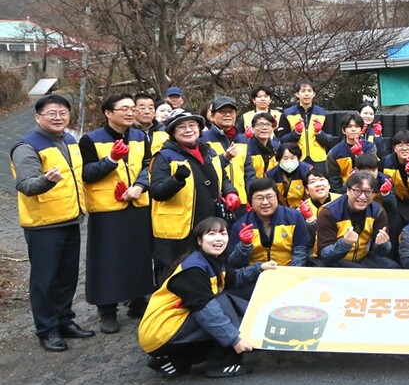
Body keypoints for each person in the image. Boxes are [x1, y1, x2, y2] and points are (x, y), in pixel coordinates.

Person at [138, 217, 276, 378]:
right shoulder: (193, 270)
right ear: (199, 240)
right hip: (161, 332)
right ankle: (222, 363)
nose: (218, 238)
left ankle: (174, 361)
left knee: (221, 308)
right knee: (223, 305)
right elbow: (207, 312)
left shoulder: (212, 260)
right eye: (211, 234)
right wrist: (235, 340)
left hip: (169, 329)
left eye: (223, 234)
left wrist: (260, 268)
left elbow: (235, 279)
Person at [12, 94, 96, 352]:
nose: (59, 117)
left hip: (70, 218)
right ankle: (47, 330)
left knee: (67, 276)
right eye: (52, 113)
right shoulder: (27, 146)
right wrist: (46, 181)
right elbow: (26, 185)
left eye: (63, 113)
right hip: (43, 224)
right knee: (45, 280)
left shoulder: (69, 140)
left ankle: (64, 321)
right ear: (38, 117)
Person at [79, 93, 155, 334]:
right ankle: (107, 309)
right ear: (108, 113)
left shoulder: (140, 136)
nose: (131, 113)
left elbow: (148, 165)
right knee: (107, 259)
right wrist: (111, 160)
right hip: (107, 210)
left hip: (137, 203)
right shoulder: (91, 140)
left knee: (139, 255)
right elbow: (86, 173)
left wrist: (140, 186)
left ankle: (137, 300)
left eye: (132, 108)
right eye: (124, 109)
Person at [149, 109, 241, 285]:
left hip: (207, 226)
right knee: (175, 277)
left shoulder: (209, 152)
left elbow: (223, 178)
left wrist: (230, 192)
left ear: (199, 129)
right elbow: (157, 192)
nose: (188, 130)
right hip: (178, 233)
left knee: (208, 273)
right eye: (181, 127)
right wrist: (176, 180)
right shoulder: (164, 156)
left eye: (192, 125)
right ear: (173, 132)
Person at [227, 177, 312, 276]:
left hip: (288, 274)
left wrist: (290, 274)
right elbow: (233, 264)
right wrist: (244, 246)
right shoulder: (241, 225)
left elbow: (301, 250)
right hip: (255, 277)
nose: (265, 202)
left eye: (269, 197)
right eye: (259, 198)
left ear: (277, 197)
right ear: (250, 201)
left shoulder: (294, 217)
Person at [314, 172, 398, 268]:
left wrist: (382, 245)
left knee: (393, 267)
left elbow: (381, 252)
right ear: (348, 190)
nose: (362, 197)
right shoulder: (329, 212)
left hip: (362, 257)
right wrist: (345, 243)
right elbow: (325, 255)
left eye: (368, 192)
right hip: (335, 261)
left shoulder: (377, 212)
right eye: (357, 191)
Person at [201, 97, 252, 205]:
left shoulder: (243, 139)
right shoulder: (203, 139)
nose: (228, 115)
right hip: (215, 201)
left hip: (240, 201)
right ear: (212, 116)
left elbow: (249, 173)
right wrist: (224, 158)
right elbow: (204, 169)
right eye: (223, 112)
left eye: (231, 112)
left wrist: (251, 198)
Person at [278, 80, 334, 172]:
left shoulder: (322, 113)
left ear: (314, 94)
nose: (306, 94)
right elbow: (281, 140)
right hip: (296, 158)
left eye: (309, 91)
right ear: (297, 94)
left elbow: (330, 140)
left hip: (319, 160)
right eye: (303, 91)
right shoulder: (287, 113)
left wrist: (319, 133)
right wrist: (296, 133)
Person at [326, 112, 378, 193]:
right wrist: (341, 193)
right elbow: (333, 178)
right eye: (349, 126)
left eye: (357, 126)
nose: (353, 129)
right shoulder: (335, 152)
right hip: (345, 190)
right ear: (343, 130)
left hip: (367, 188)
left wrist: (360, 155)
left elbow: (372, 170)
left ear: (361, 130)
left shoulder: (370, 147)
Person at [266, 143, 312, 209]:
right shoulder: (271, 175)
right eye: (285, 158)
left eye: (292, 158)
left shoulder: (307, 171)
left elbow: (311, 195)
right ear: (279, 159)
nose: (289, 161)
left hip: (304, 208)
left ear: (298, 158)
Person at [244, 111, 280, 185]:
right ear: (252, 129)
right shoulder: (246, 148)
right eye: (260, 124)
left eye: (268, 124)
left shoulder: (277, 147)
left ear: (272, 129)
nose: (264, 128)